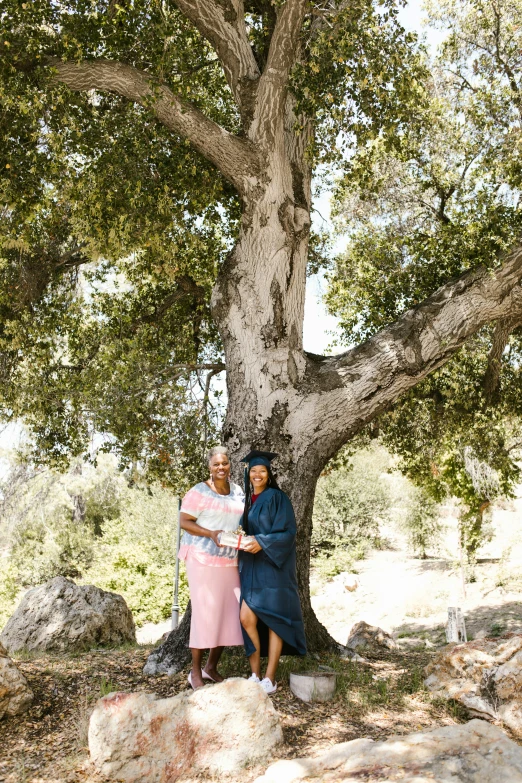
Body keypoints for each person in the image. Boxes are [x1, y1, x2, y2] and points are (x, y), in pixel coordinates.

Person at [239, 450, 306, 694]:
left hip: (274, 569)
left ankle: (270, 678)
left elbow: (288, 533)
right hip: (252, 568)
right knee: (246, 618)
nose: (257, 475)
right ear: (249, 474)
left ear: (269, 474)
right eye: (254, 471)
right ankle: (255, 674)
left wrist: (261, 542)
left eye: (262, 471)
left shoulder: (277, 498)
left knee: (275, 622)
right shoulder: (248, 502)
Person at [179, 446, 245, 689]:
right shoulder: (198, 491)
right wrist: (210, 533)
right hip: (201, 559)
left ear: (230, 465)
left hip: (230, 560)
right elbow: (184, 521)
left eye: (224, 464)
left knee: (229, 614)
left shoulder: (238, 491)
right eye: (216, 464)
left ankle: (211, 667)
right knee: (204, 614)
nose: (221, 468)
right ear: (209, 466)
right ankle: (195, 672)